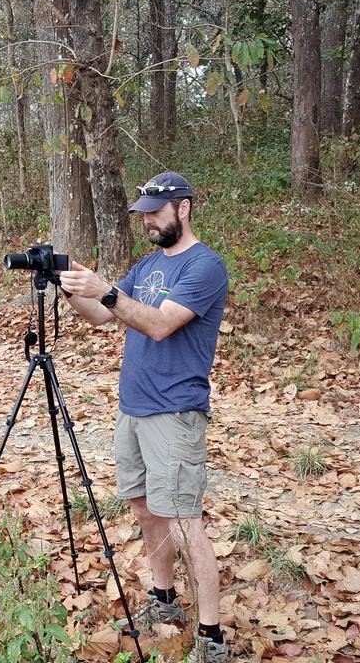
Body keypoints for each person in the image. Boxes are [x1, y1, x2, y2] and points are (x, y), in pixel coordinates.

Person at [59, 172, 231, 663]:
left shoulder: (205, 265)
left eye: (157, 210)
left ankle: (211, 637)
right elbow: (102, 316)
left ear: (186, 208)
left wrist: (106, 289)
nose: (149, 219)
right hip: (133, 406)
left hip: (175, 410)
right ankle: (164, 600)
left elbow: (158, 324)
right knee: (143, 508)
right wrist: (71, 284)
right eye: (145, 212)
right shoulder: (149, 264)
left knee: (181, 518)